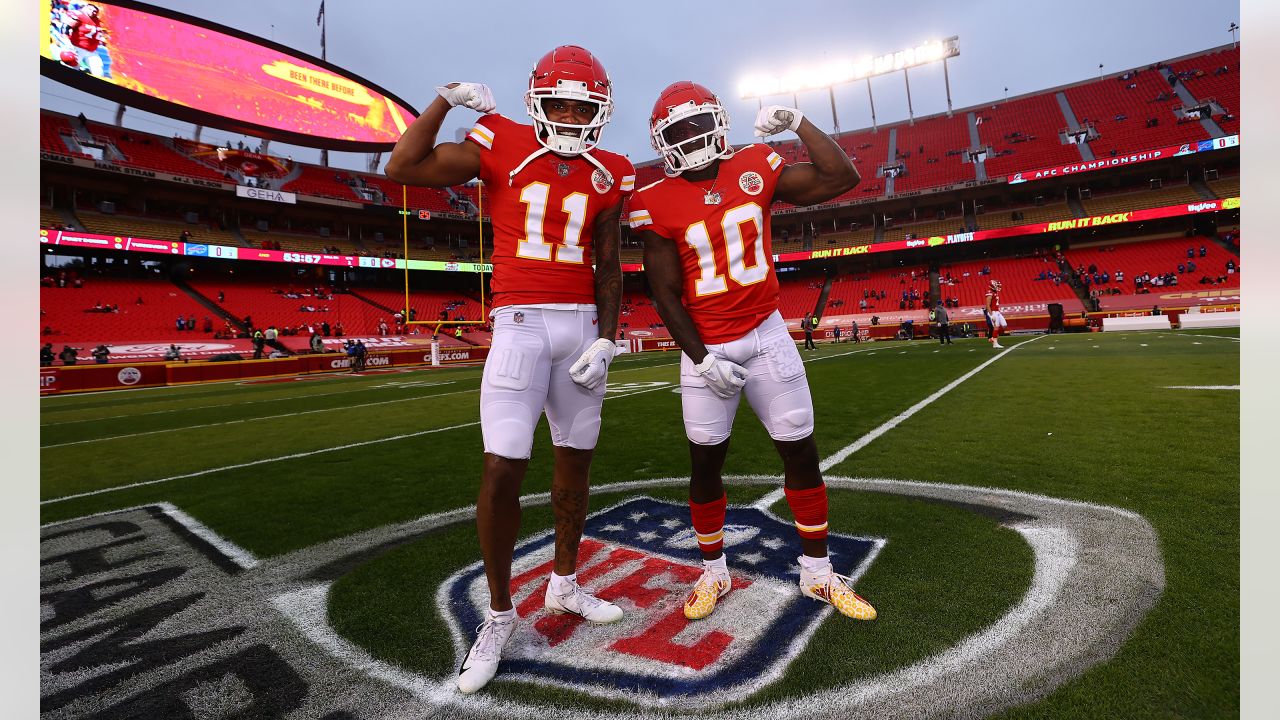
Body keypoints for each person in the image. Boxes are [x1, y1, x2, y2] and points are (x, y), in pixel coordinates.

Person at [384, 45, 635, 694]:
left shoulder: (611, 170)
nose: (575, 114)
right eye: (564, 102)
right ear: (538, 100)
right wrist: (443, 101)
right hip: (519, 325)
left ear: (601, 110)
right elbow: (403, 165)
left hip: (581, 328)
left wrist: (609, 337)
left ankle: (565, 583)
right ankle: (499, 616)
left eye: (587, 105)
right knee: (502, 467)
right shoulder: (500, 140)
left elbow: (609, 263)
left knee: (575, 461)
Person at [633, 81, 876, 627]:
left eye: (698, 124)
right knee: (705, 460)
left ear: (718, 122)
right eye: (679, 131)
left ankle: (818, 571)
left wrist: (800, 122)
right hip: (707, 344)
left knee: (800, 450)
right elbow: (665, 292)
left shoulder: (754, 164)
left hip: (766, 334)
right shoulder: (654, 200)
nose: (693, 137)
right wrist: (700, 358)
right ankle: (714, 570)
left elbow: (842, 177)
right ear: (662, 141)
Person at [984, 279, 1007, 349]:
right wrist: (991, 314)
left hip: (997, 312)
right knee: (996, 326)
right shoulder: (990, 293)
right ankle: (995, 343)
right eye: (996, 285)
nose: (998, 286)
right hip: (993, 312)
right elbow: (987, 305)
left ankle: (993, 338)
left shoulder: (995, 292)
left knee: (1004, 325)